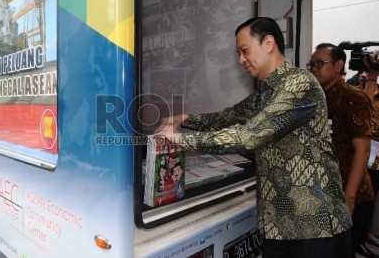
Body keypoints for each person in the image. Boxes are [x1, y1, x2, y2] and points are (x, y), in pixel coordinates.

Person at [155, 17, 352, 258]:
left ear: (268, 43)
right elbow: (228, 117)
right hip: (278, 226)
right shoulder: (265, 93)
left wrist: (179, 140)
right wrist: (185, 119)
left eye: (245, 51)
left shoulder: (300, 83)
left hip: (315, 226)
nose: (241, 60)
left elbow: (249, 137)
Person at [308, 43, 376, 258]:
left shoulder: (354, 97)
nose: (314, 69)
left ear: (338, 65)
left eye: (320, 63)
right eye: (312, 64)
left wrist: (350, 196)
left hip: (348, 192)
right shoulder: (316, 98)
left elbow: (363, 150)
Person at [357, 55, 379, 251]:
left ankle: (366, 233)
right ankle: (357, 240)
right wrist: (371, 78)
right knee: (361, 200)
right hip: (362, 155)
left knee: (372, 199)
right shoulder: (357, 93)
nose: (365, 75)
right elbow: (364, 113)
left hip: (377, 157)